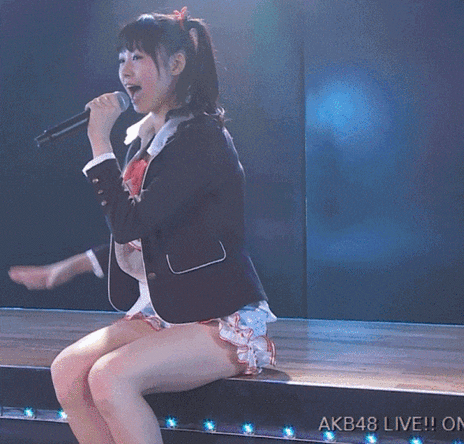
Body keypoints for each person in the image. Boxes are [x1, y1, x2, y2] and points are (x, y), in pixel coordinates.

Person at [8, 7, 276, 444]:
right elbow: (145, 236)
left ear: (177, 64)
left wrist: (99, 141)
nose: (125, 70)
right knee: (68, 370)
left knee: (110, 377)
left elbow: (131, 221)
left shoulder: (201, 138)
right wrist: (66, 269)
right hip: (166, 312)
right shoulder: (148, 140)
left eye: (138, 58)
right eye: (121, 59)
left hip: (215, 314)